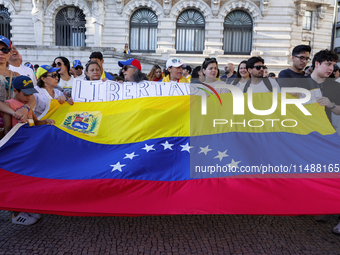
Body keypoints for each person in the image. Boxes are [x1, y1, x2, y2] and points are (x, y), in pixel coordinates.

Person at [2, 76, 54, 225]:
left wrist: (46, 122)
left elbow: (36, 122)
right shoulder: (9, 105)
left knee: (26, 180)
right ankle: (16, 214)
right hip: (16, 150)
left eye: (30, 94)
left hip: (29, 149)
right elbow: (7, 129)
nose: (29, 97)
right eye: (25, 94)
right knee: (15, 182)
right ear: (16, 91)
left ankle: (25, 207)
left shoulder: (28, 105)